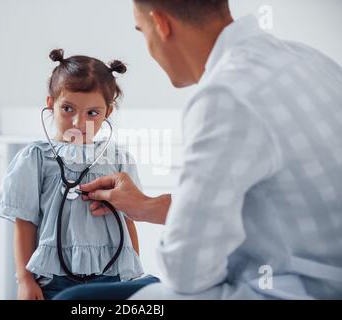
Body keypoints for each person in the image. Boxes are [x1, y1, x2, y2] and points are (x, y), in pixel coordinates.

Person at [53, 0, 342, 299]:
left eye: (143, 31)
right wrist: (149, 206)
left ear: (161, 25)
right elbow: (270, 205)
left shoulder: (225, 93)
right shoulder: (309, 60)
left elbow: (186, 272)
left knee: (74, 302)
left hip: (289, 291)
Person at [0, 48, 158, 300]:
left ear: (108, 113)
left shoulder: (118, 159)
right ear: (50, 104)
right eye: (68, 109)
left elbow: (128, 220)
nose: (78, 123)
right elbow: (25, 223)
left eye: (92, 113)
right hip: (53, 279)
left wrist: (133, 278)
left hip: (110, 275)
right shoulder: (36, 157)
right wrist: (25, 280)